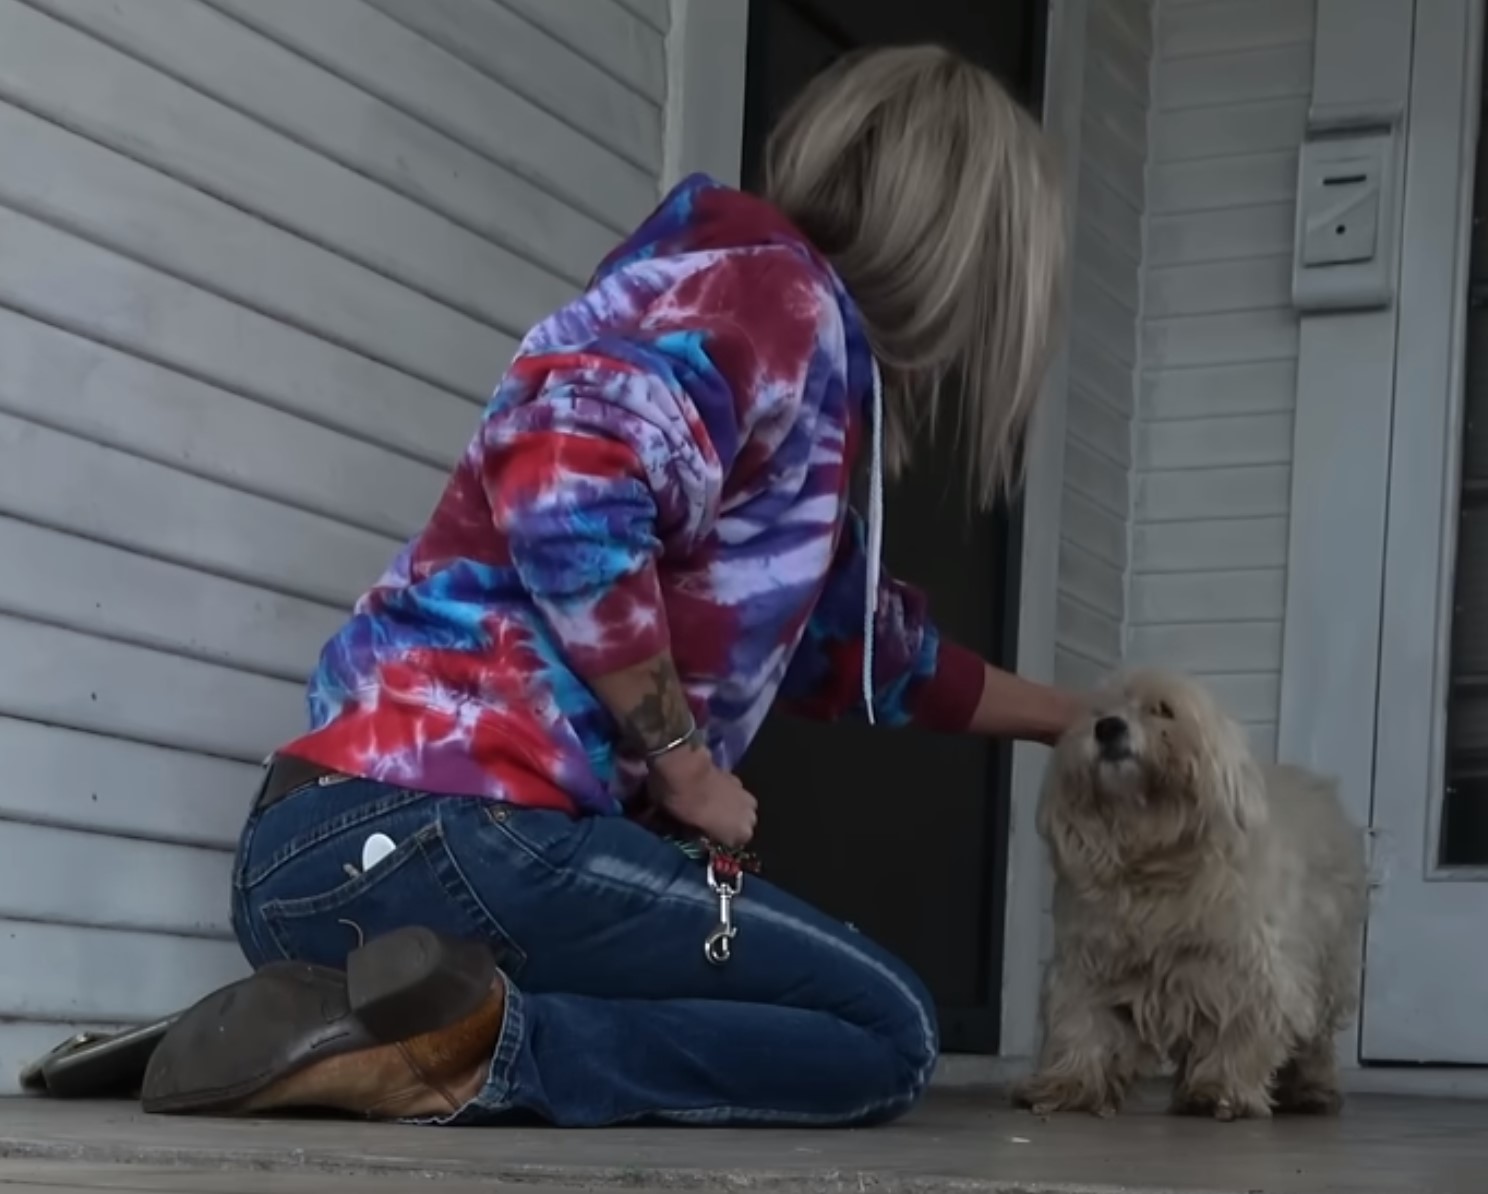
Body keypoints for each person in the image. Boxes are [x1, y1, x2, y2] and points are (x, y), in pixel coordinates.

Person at [141, 43, 1079, 1128]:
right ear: (970, 251)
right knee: (883, 1033)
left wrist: (1084, 719)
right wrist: (685, 768)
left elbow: (854, 650)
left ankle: (335, 1032)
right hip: (458, 833)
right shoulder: (775, 295)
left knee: (773, 994)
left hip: (317, 853)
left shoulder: (751, 322)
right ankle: (465, 1054)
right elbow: (566, 486)